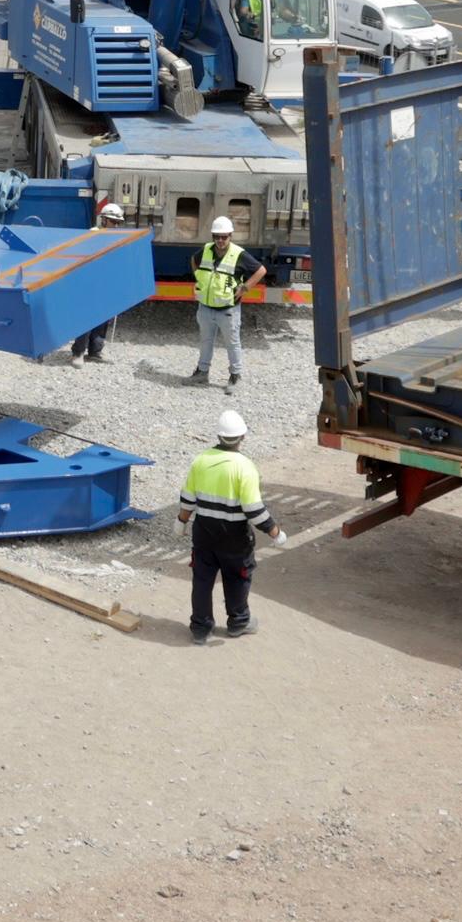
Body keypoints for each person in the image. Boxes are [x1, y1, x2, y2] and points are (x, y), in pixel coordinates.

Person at [177, 406, 272, 643]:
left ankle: (200, 628)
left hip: (204, 534)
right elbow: (254, 510)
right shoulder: (245, 467)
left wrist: (181, 521)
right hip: (234, 538)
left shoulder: (200, 461)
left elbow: (188, 499)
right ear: (242, 437)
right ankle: (238, 623)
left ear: (218, 436)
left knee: (202, 580)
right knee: (237, 578)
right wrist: (274, 530)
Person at [188, 214, 251, 387]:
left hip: (228, 310)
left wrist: (245, 287)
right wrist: (199, 279)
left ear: (230, 236)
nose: (221, 240)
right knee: (205, 341)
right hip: (206, 307)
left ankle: (235, 376)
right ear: (213, 237)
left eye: (224, 237)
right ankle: (202, 372)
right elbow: (193, 260)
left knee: (232, 343)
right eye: (217, 237)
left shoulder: (239, 254)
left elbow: (261, 270)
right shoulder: (207, 249)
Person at [68, 199, 129, 364]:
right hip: (91, 282)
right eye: (113, 221)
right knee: (86, 317)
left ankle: (95, 351)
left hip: (106, 282)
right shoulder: (93, 234)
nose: (116, 225)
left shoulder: (117, 237)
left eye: (118, 223)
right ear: (103, 219)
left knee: (103, 318)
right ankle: (78, 353)